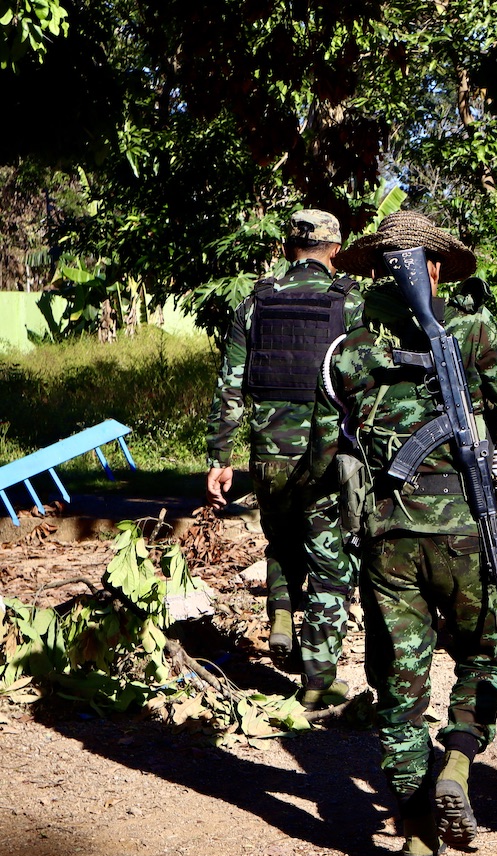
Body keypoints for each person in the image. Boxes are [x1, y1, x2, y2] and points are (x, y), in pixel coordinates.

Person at [323, 211, 497, 856]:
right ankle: (459, 762)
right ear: (436, 267)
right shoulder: (471, 331)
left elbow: (334, 425)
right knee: (485, 652)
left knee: (399, 683)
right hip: (464, 529)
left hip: (388, 534)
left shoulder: (352, 348)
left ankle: (417, 828)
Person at [205, 209, 361, 707]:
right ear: (334, 250)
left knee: (281, 539)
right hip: (326, 456)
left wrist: (219, 457)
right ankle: (317, 678)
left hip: (267, 454)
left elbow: (229, 387)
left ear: (289, 247)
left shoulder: (256, 303)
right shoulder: (350, 304)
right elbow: (365, 384)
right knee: (330, 562)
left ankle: (279, 611)